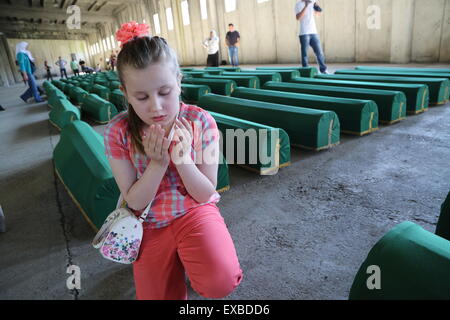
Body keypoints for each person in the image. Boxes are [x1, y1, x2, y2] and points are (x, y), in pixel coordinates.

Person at [105, 21, 243, 300]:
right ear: (125, 93)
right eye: (141, 97)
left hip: (193, 210)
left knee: (220, 281)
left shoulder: (199, 121)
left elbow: (206, 193)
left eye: (165, 92)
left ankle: (194, 258)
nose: (155, 106)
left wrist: (182, 160)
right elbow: (133, 202)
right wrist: (157, 164)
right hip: (148, 222)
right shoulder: (118, 131)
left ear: (179, 81)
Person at [295, 0, 329, 74]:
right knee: (305, 54)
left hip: (313, 32)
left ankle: (323, 70)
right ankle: (305, 71)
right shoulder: (298, 4)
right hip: (304, 33)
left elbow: (317, 14)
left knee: (319, 52)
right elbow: (298, 18)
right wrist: (306, 6)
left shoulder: (313, 2)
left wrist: (316, 6)